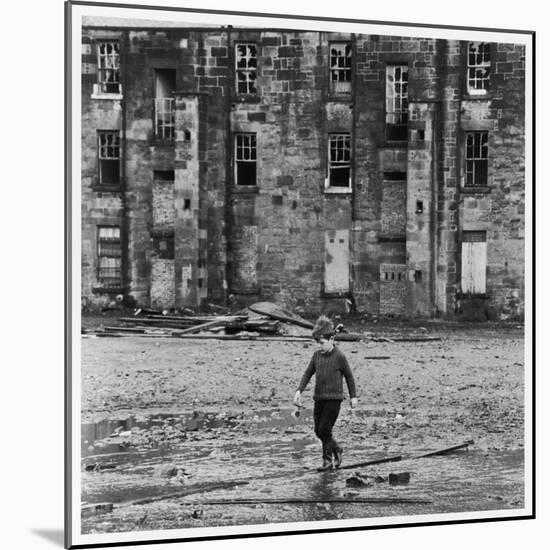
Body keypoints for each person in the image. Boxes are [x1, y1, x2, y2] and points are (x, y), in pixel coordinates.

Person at [293, 315, 358, 471]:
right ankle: (337, 448)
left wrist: (353, 396)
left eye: (322, 343)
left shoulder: (340, 357)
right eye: (318, 343)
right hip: (319, 398)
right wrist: (299, 391)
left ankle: (327, 461)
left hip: (334, 399)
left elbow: (349, 376)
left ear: (331, 339)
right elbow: (308, 373)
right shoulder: (316, 356)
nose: (320, 346)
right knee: (318, 430)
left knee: (324, 430)